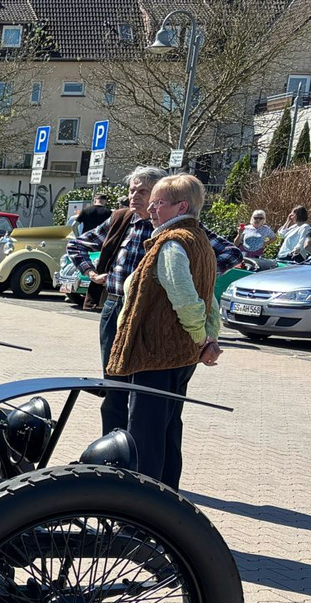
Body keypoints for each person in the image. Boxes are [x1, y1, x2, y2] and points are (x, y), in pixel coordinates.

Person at [65, 165, 244, 436]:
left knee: (150, 407)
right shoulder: (121, 219)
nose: (136, 197)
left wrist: (188, 276)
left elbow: (229, 255)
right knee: (115, 387)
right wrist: (91, 274)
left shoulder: (178, 231)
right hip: (116, 307)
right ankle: (113, 448)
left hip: (154, 320)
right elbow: (76, 244)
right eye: (132, 190)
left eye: (145, 192)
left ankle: (134, 462)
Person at [106, 174, 223, 490]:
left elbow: (188, 299)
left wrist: (203, 338)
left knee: (145, 436)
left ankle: (141, 513)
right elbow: (210, 298)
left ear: (181, 206)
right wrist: (209, 339)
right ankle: (167, 506)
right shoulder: (199, 240)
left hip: (156, 354)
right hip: (179, 355)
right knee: (168, 431)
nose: (152, 208)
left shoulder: (172, 244)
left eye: (159, 202)